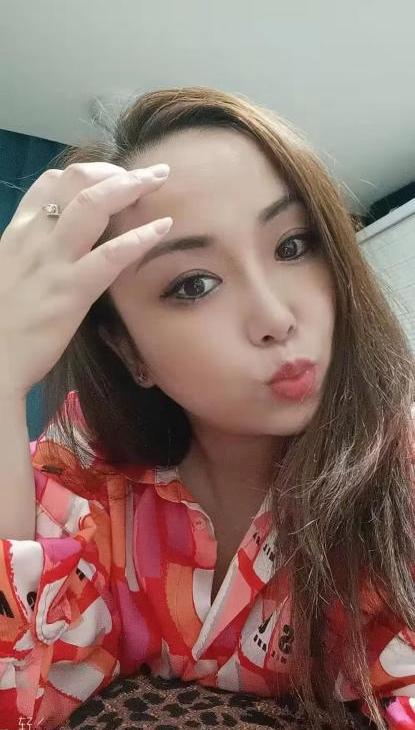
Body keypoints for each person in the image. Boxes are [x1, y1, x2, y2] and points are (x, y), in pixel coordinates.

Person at [0, 86, 414, 730]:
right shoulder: (85, 464)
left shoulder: (400, 468)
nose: (275, 317)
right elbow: (18, 687)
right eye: (194, 284)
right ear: (127, 349)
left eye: (293, 245)